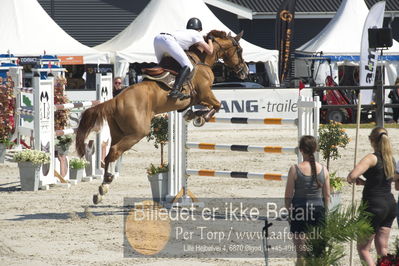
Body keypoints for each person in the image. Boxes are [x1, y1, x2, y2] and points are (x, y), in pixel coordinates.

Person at [347, 127, 398, 266]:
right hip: (390, 205)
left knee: (363, 248)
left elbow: (352, 175)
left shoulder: (372, 157)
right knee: (383, 248)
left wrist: (351, 179)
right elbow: (383, 181)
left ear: (372, 140)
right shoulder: (391, 160)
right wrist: (365, 183)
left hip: (373, 206)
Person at [285, 135, 330, 265]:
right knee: (317, 254)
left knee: (301, 255)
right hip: (318, 212)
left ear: (301, 150)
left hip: (300, 211)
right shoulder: (324, 170)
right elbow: (327, 196)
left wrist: (289, 213)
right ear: (315, 150)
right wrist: (325, 213)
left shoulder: (295, 169)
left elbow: (288, 195)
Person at [153, 17, 214, 100]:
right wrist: (210, 39)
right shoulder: (197, 34)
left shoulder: (183, 32)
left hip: (157, 39)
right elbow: (210, 51)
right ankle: (175, 90)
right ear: (199, 29)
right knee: (188, 66)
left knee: (161, 66)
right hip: (169, 41)